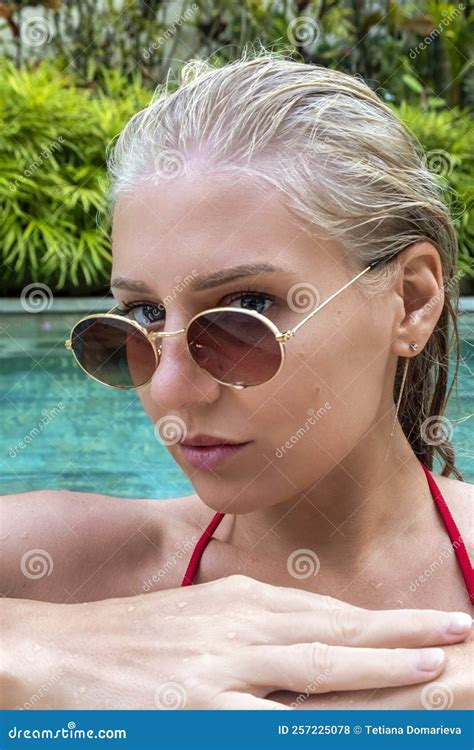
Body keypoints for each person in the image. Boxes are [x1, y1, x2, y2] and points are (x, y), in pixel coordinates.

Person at [2, 49, 473, 711]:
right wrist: (50, 643)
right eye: (141, 316)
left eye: (248, 308)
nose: (168, 388)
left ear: (412, 300)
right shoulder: (79, 566)